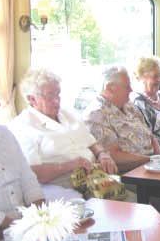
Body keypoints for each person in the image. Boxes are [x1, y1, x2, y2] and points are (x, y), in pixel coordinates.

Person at [9, 69, 118, 201]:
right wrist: (70, 165)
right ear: (32, 99)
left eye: (58, 94)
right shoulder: (22, 126)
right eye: (50, 96)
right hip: (62, 188)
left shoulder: (67, 114)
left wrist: (103, 154)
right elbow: (33, 173)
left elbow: (91, 142)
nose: (57, 101)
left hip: (96, 179)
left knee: (132, 207)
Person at [83, 66, 160, 173]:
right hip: (131, 174)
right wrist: (150, 160)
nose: (131, 90)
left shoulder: (128, 105)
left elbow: (150, 136)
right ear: (111, 87)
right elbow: (114, 155)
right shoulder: (96, 114)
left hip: (153, 165)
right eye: (127, 86)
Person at [0, 79, 44, 234]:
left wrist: (41, 216)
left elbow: (27, 176)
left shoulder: (3, 134)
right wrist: (16, 225)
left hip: (23, 225)